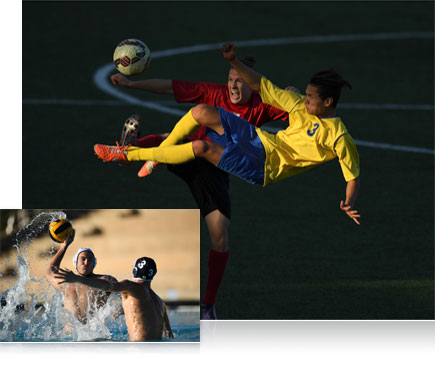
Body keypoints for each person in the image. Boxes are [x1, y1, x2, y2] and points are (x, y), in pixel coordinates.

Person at [95, 42, 361, 225]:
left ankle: (131, 154)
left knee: (201, 148)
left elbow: (352, 176)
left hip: (266, 166)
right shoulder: (297, 105)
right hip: (259, 141)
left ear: (328, 103)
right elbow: (259, 83)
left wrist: (348, 202)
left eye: (311, 97)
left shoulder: (339, 136)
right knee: (200, 111)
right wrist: (232, 59)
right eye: (306, 94)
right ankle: (139, 154)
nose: (305, 100)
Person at [109, 57, 290, 320]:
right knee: (177, 141)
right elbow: (170, 87)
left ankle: (208, 306)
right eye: (230, 80)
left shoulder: (262, 106)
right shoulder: (213, 93)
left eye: (240, 81)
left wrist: (293, 96)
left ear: (254, 85)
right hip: (190, 153)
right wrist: (131, 83)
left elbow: (298, 112)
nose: (233, 86)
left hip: (215, 169)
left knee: (219, 236)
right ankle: (135, 151)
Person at [54, 256, 174, 341]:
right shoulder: (160, 302)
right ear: (154, 274)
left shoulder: (131, 287)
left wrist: (77, 279)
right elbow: (168, 335)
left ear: (134, 270)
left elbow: (108, 286)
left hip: (137, 349)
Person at [45, 230, 120, 326]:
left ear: (94, 263)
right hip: (70, 337)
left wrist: (117, 311)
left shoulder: (105, 280)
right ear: (75, 262)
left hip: (96, 336)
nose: (86, 262)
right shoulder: (66, 282)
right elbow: (49, 272)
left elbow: (122, 296)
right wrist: (64, 247)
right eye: (83, 259)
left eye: (90, 260)